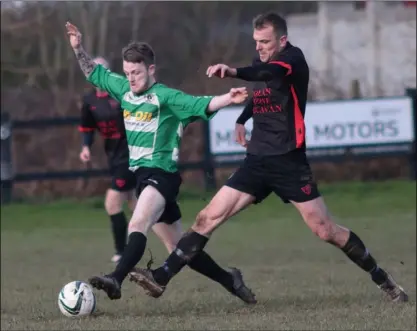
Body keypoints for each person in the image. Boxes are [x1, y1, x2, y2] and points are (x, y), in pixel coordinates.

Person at [129, 12, 408, 303]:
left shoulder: (292, 60)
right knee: (207, 217)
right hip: (257, 161)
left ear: (282, 40)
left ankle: (382, 279)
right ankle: (160, 277)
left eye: (265, 42)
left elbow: (268, 75)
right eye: (256, 42)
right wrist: (242, 118)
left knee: (324, 230)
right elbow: (262, 92)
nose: (259, 47)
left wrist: (233, 72)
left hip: (288, 161)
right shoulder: (262, 61)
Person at [65, 22, 256, 304]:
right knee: (180, 249)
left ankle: (115, 279)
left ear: (151, 70)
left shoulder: (165, 97)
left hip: (161, 175)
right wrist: (78, 48)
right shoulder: (124, 90)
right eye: (127, 72)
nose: (131, 78)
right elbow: (94, 73)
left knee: (138, 222)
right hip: (143, 176)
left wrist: (228, 98)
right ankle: (231, 281)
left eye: (137, 72)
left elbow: (199, 104)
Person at [79, 57, 136, 263]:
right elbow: (87, 127)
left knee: (112, 203)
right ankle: (173, 241)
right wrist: (85, 146)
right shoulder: (90, 101)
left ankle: (122, 252)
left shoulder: (121, 95)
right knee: (136, 204)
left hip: (129, 156)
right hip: (112, 157)